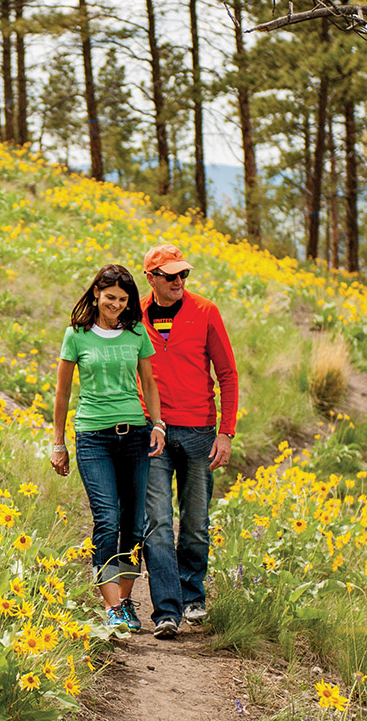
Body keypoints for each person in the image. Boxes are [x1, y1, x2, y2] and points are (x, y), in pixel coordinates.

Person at [51, 264, 166, 632]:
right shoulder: (77, 335)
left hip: (135, 434)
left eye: (123, 299)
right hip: (92, 438)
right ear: (97, 293)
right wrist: (58, 443)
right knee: (107, 520)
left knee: (135, 524)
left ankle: (128, 600)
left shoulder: (136, 333)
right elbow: (63, 392)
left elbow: (149, 383)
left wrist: (158, 424)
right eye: (110, 297)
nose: (116, 304)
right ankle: (112, 605)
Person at [140, 244, 238, 639]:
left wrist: (226, 433)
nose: (179, 281)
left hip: (200, 431)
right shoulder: (134, 316)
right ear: (151, 278)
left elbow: (227, 374)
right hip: (154, 431)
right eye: (170, 276)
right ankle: (166, 609)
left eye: (183, 274)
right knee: (158, 522)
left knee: (195, 521)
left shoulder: (206, 312)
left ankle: (192, 595)